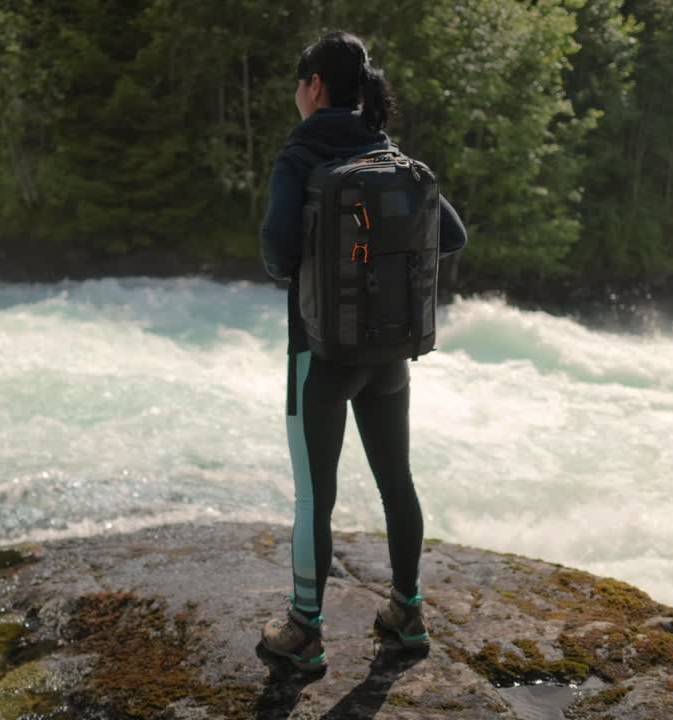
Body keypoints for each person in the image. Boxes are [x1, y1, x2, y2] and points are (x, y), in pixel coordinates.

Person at [258, 31, 468, 673]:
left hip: (320, 357)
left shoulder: (301, 155)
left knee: (313, 499)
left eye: (300, 83)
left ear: (314, 86)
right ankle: (406, 612)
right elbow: (451, 236)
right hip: (389, 356)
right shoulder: (387, 152)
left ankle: (302, 630)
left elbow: (276, 256)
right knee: (396, 481)